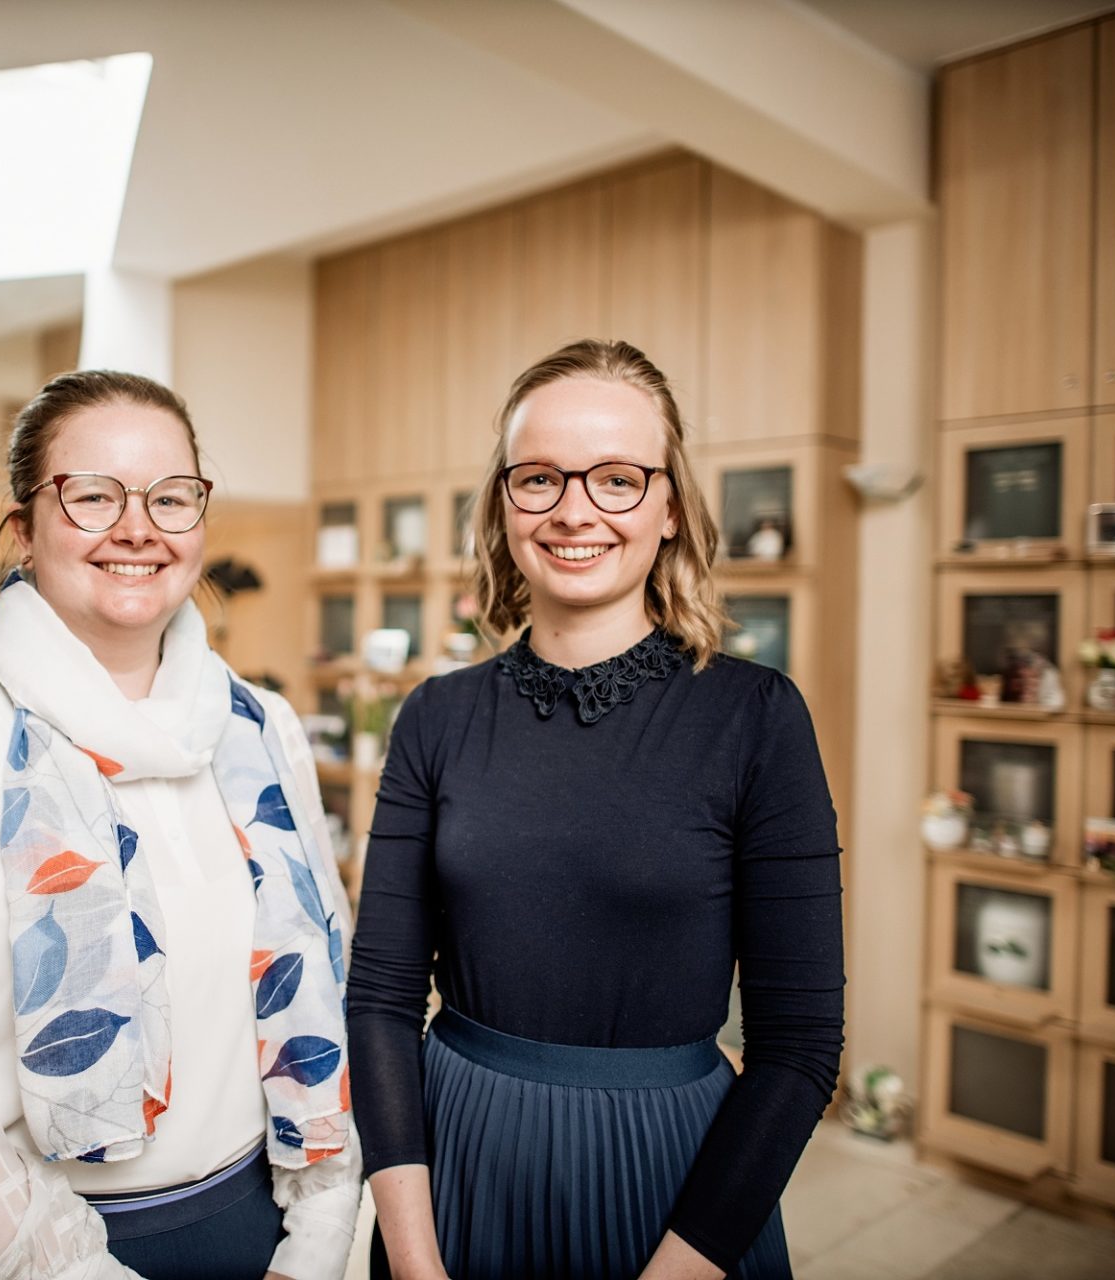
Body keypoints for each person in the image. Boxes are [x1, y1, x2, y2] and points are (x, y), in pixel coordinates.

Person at [0, 370, 361, 1280]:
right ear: (23, 528)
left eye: (170, 498)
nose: (137, 528)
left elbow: (324, 986)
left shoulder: (264, 728)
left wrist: (319, 1234)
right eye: (93, 496)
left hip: (242, 1232)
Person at [347, 340, 844, 1280]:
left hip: (673, 1193)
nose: (575, 510)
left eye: (617, 479)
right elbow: (378, 1003)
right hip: (453, 1175)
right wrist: (415, 1263)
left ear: (668, 509)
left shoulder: (755, 716)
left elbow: (799, 1049)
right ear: (503, 505)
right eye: (539, 478)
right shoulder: (436, 717)